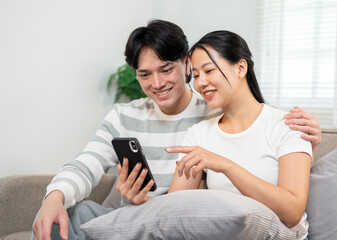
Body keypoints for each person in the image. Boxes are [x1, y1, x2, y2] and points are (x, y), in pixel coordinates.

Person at [32, 20, 321, 240]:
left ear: (182, 63)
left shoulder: (223, 111)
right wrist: (54, 196)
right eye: (145, 74)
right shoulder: (192, 130)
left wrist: (309, 143)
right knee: (71, 216)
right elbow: (173, 210)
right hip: (148, 221)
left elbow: (252, 113)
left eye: (166, 70)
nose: (157, 83)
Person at [165, 30, 313, 239]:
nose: (200, 83)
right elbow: (174, 211)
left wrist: (226, 165)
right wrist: (142, 200)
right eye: (196, 75)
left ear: (241, 68)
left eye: (208, 71)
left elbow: (292, 213)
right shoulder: (198, 135)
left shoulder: (287, 125)